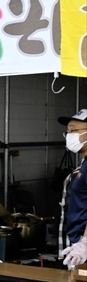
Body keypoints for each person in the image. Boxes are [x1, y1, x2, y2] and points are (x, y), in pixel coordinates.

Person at [58, 109, 87, 269]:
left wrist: (85, 243)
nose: (70, 136)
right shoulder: (83, 164)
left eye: (74, 131)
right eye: (68, 132)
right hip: (77, 243)